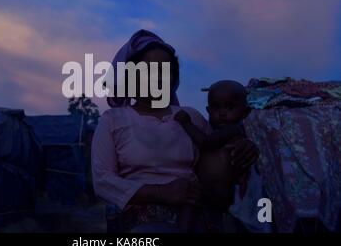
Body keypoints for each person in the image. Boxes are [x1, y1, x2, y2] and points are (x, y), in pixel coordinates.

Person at [92, 30, 257, 232]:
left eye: (165, 69)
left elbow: (216, 151)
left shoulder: (189, 117)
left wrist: (243, 148)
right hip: (141, 218)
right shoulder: (113, 120)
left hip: (196, 209)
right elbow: (102, 180)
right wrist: (161, 192)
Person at [174, 80, 257, 231]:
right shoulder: (212, 130)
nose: (222, 113)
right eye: (216, 107)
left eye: (230, 107)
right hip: (205, 192)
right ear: (208, 110)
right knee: (189, 204)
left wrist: (186, 123)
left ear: (245, 112)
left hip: (224, 194)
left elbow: (205, 142)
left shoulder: (234, 131)